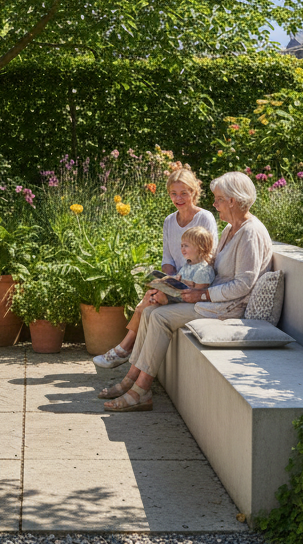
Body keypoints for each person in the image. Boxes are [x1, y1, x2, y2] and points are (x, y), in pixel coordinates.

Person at [99, 171, 272, 412]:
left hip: (228, 308)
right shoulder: (231, 229)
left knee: (158, 317)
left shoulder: (250, 232)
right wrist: (178, 285)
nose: (214, 204)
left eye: (219, 198)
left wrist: (201, 295)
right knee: (150, 311)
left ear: (232, 200)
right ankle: (131, 380)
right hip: (212, 299)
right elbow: (209, 267)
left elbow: (244, 284)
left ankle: (141, 390)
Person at [92, 167, 218, 368]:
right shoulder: (169, 221)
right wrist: (166, 281)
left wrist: (182, 282)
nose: (179, 198)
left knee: (147, 303)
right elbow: (167, 259)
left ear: (194, 192)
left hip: (194, 283)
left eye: (184, 193)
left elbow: (209, 255)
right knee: (152, 296)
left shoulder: (205, 218)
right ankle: (125, 352)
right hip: (176, 281)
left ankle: (124, 350)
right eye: (173, 194)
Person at [156, 226, 216, 303]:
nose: (182, 249)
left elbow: (196, 296)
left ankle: (164, 300)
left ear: (200, 248)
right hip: (181, 296)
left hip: (194, 305)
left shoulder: (203, 271)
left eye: (186, 246)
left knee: (159, 300)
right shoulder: (188, 265)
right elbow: (179, 279)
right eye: (182, 246)